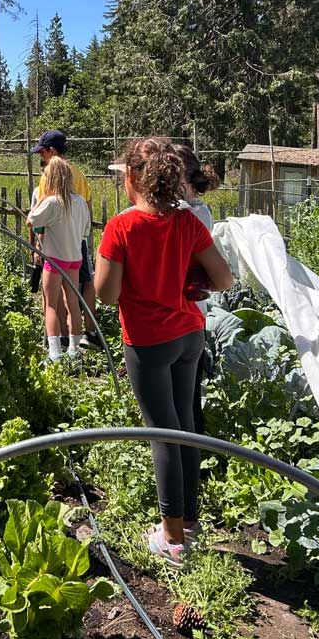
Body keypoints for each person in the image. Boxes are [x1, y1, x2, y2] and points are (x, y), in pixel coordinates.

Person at [95, 137, 233, 566]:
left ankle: (172, 540)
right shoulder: (187, 221)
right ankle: (188, 521)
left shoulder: (121, 227)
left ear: (133, 177)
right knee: (185, 425)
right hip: (189, 334)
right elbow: (224, 280)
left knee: (162, 432)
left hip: (148, 340)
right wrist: (188, 281)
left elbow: (106, 294)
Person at [29, 130, 100, 351]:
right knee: (75, 298)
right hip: (76, 251)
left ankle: (56, 346)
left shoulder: (49, 183)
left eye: (42, 152)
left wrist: (38, 245)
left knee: (51, 301)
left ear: (51, 151)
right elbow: (87, 222)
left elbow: (36, 219)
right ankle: (79, 344)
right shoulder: (79, 179)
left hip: (54, 252)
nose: (41, 156)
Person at [173, 144, 221, 436]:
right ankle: (193, 444)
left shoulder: (192, 214)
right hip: (192, 312)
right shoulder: (196, 210)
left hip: (186, 312)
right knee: (186, 392)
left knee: (185, 395)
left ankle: (191, 443)